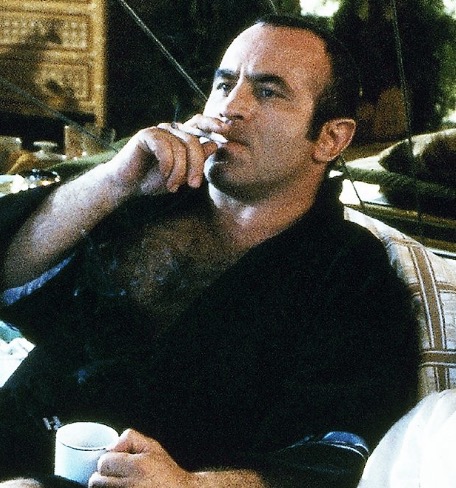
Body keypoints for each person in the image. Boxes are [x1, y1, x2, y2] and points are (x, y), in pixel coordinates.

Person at [0, 14, 419, 488]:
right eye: (223, 85)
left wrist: (193, 485)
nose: (230, 107)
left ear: (330, 138)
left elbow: (336, 455)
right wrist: (112, 182)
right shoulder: (144, 199)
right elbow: (10, 274)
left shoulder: (351, 275)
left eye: (268, 92)